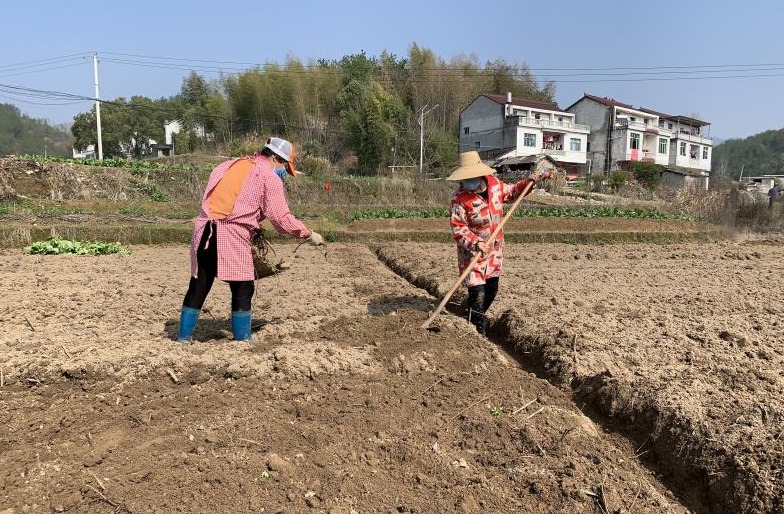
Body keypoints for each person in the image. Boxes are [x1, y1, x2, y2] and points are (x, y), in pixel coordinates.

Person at [177, 137, 324, 343]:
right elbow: (281, 218)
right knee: (243, 287)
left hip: (203, 230)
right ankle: (243, 340)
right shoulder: (268, 177)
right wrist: (308, 234)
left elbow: (228, 199)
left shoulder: (228, 165)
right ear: (275, 158)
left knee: (199, 284)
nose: (283, 171)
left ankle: (183, 338)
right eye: (283, 165)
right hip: (231, 233)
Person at [446, 150, 544, 336]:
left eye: (471, 177)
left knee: (491, 291)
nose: (468, 182)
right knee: (478, 294)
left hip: (494, 252)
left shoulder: (494, 185)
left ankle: (471, 316)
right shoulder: (459, 199)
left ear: (480, 174)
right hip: (473, 255)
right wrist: (475, 243)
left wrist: (528, 183)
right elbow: (458, 228)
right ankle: (478, 332)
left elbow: (513, 192)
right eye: (465, 179)